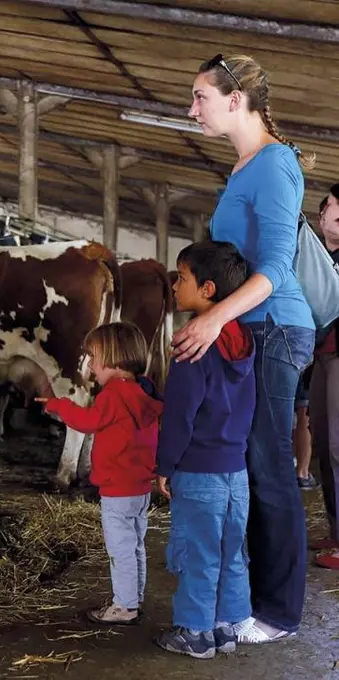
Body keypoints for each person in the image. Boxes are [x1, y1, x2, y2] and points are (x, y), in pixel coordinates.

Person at [173, 54, 315, 644]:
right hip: (250, 327)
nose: (191, 109)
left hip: (273, 327)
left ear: (236, 100)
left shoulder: (276, 166)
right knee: (247, 466)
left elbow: (279, 266)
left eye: (200, 96)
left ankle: (279, 613)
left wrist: (214, 320)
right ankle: (250, 596)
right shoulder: (243, 168)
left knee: (268, 466)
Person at [155, 241, 254, 659]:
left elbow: (179, 415)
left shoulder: (191, 345)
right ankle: (226, 626)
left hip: (198, 472)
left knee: (198, 554)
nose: (175, 285)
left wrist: (165, 465)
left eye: (182, 278)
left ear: (208, 289)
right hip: (236, 473)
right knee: (231, 553)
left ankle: (195, 634)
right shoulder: (244, 342)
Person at [37, 322, 163, 625]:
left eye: (94, 358)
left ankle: (124, 607)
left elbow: (87, 421)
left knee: (119, 549)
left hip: (117, 489)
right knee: (135, 546)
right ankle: (134, 597)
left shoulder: (113, 395)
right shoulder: (142, 394)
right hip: (140, 487)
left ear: (112, 360)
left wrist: (58, 405)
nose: (91, 367)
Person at [309, 184, 339, 567]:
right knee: (322, 444)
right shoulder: (316, 257)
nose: (333, 210)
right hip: (320, 355)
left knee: (338, 446)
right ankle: (335, 531)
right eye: (331, 205)